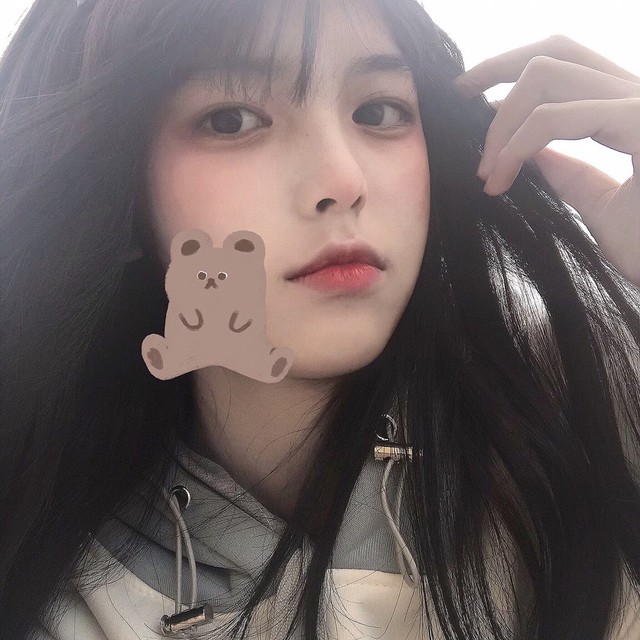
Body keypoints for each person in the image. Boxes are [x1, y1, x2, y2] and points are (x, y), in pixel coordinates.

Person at [1, 0, 639, 638]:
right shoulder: (53, 593)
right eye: (231, 119)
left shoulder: (594, 411)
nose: (342, 179)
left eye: (378, 112)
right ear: (117, 190)